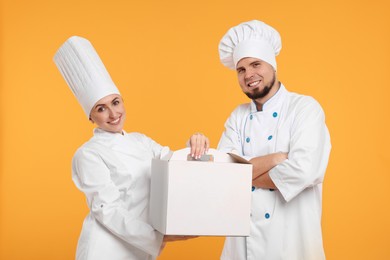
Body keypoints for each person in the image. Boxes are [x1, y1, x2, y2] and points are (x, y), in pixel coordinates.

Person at [53, 36, 209, 260]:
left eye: (116, 102)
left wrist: (196, 143)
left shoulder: (141, 141)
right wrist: (160, 236)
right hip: (105, 249)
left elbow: (176, 165)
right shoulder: (88, 154)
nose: (113, 114)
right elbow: (107, 209)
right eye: (101, 108)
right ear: (91, 116)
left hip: (140, 248)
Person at [217, 20, 331, 259]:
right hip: (242, 247)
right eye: (241, 69)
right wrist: (275, 159)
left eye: (255, 64)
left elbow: (304, 171)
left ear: (272, 65)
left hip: (292, 244)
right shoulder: (237, 117)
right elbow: (222, 176)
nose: (249, 75)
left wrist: (243, 173)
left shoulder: (305, 108)